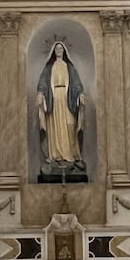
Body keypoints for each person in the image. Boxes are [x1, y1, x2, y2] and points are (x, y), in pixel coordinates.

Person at [36, 41, 85, 171]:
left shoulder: (69, 67)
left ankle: (70, 154)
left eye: (61, 48)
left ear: (64, 51)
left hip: (67, 98)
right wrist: (40, 93)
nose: (59, 50)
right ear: (54, 51)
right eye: (57, 48)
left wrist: (80, 94)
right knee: (54, 126)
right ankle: (55, 155)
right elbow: (43, 83)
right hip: (54, 99)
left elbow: (76, 83)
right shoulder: (49, 67)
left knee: (70, 125)